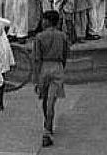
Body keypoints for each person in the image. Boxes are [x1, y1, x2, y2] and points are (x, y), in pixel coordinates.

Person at [32, 11, 69, 148]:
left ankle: (47, 127)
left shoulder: (40, 37)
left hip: (44, 68)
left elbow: (36, 59)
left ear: (47, 21)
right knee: (51, 101)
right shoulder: (62, 36)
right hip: (57, 66)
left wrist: (36, 79)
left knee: (45, 98)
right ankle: (48, 125)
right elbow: (66, 54)